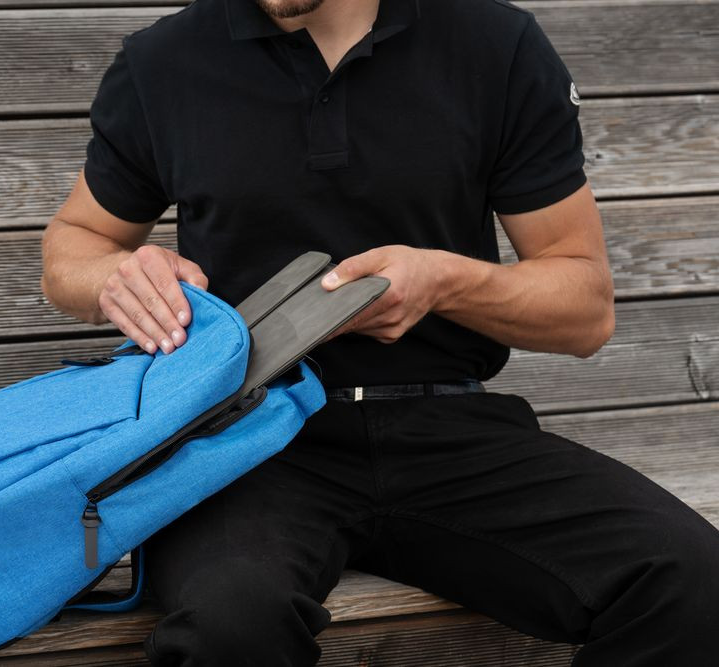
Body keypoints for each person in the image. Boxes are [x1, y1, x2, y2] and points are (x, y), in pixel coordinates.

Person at [40, 0, 719, 663]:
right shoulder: (164, 61)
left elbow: (585, 310)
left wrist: (446, 282)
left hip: (451, 432)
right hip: (248, 440)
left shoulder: (495, 45)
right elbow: (74, 246)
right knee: (233, 622)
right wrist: (115, 276)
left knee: (695, 584)